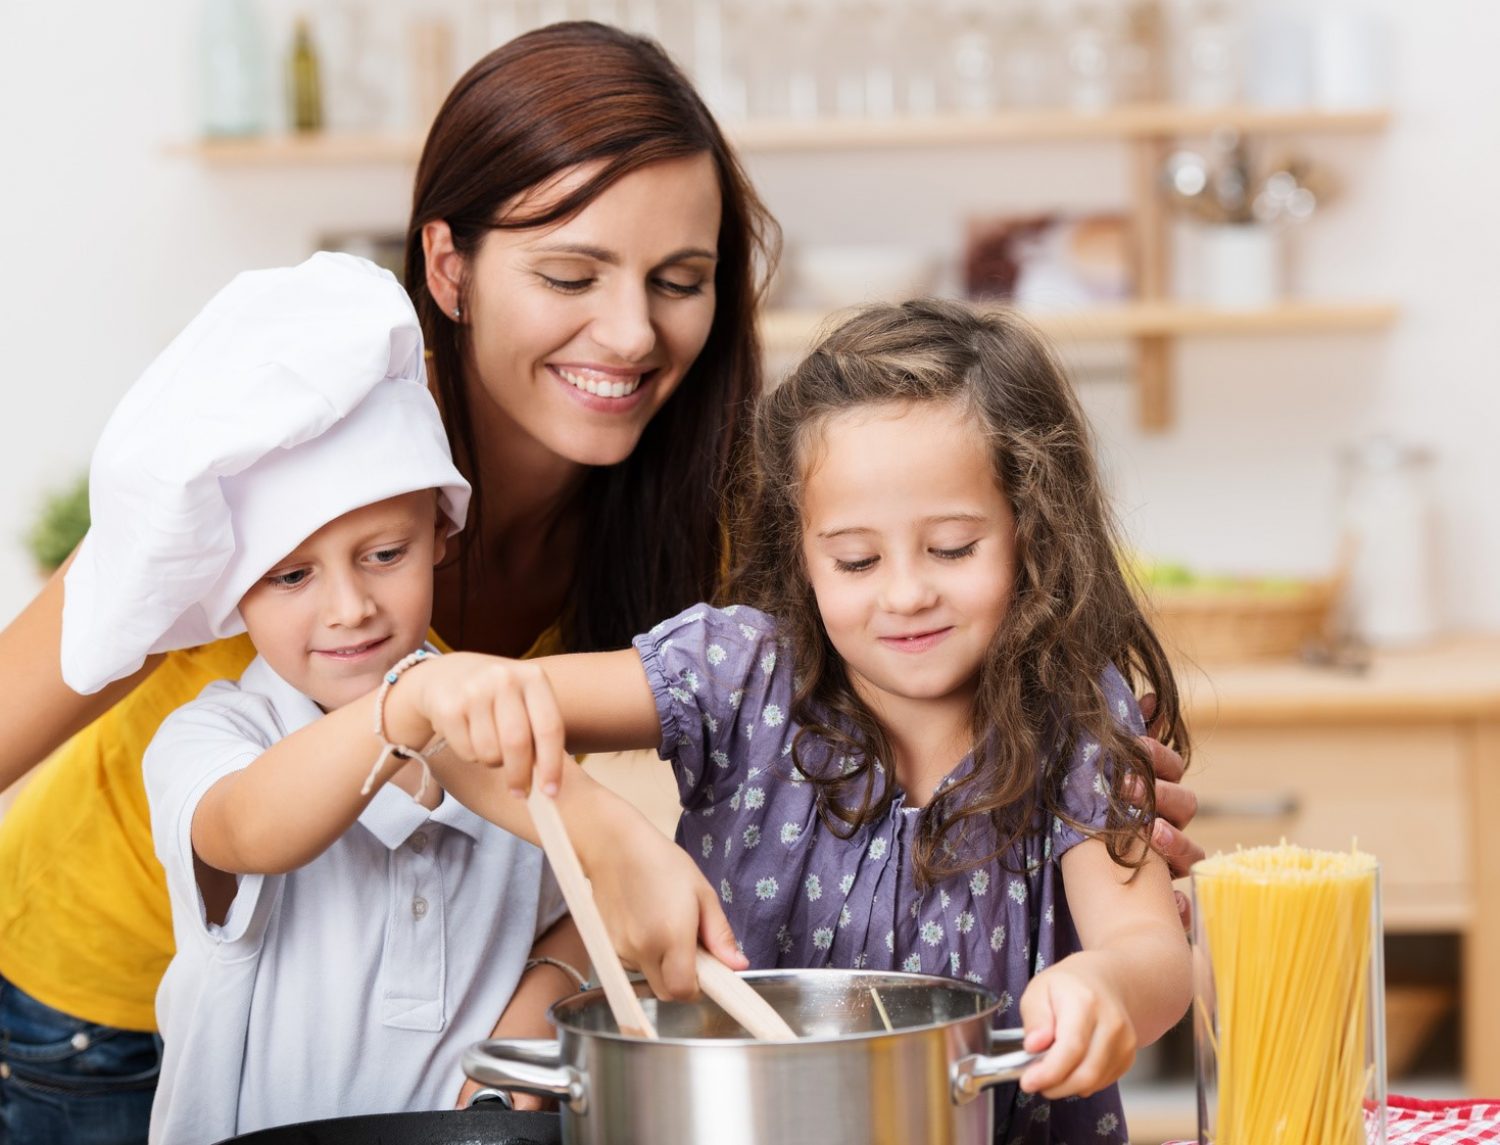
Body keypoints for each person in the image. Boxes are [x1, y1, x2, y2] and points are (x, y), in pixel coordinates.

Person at [0, 22, 1198, 1144]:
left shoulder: (722, 515)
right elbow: (432, 725)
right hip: (108, 1015)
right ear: (448, 263)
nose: (629, 333)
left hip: (428, 1056)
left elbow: (876, 713)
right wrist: (589, 821)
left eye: (678, 279)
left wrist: (1069, 781)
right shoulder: (299, 443)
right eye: (572, 275)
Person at [400, 299, 1195, 1143]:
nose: (904, 593)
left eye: (953, 547)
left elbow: (1152, 949)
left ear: (1033, 532)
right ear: (801, 547)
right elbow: (446, 712)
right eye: (855, 558)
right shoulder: (739, 672)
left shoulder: (1072, 712)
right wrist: (608, 837)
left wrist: (1106, 987)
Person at [60, 251, 683, 1141]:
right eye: (291, 575)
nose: (348, 607)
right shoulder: (213, 736)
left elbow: (578, 913)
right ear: (234, 586)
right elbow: (251, 830)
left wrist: (526, 1029)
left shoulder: (496, 715)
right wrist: (410, 702)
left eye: (384, 554)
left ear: (440, 532)